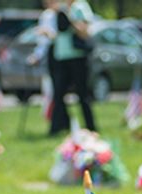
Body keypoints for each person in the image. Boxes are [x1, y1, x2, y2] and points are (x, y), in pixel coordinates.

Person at [49, 0, 96, 135]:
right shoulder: (58, 8)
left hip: (78, 57)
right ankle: (57, 128)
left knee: (82, 94)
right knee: (58, 95)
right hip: (61, 56)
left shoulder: (80, 6)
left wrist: (69, 17)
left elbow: (84, 30)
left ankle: (90, 127)